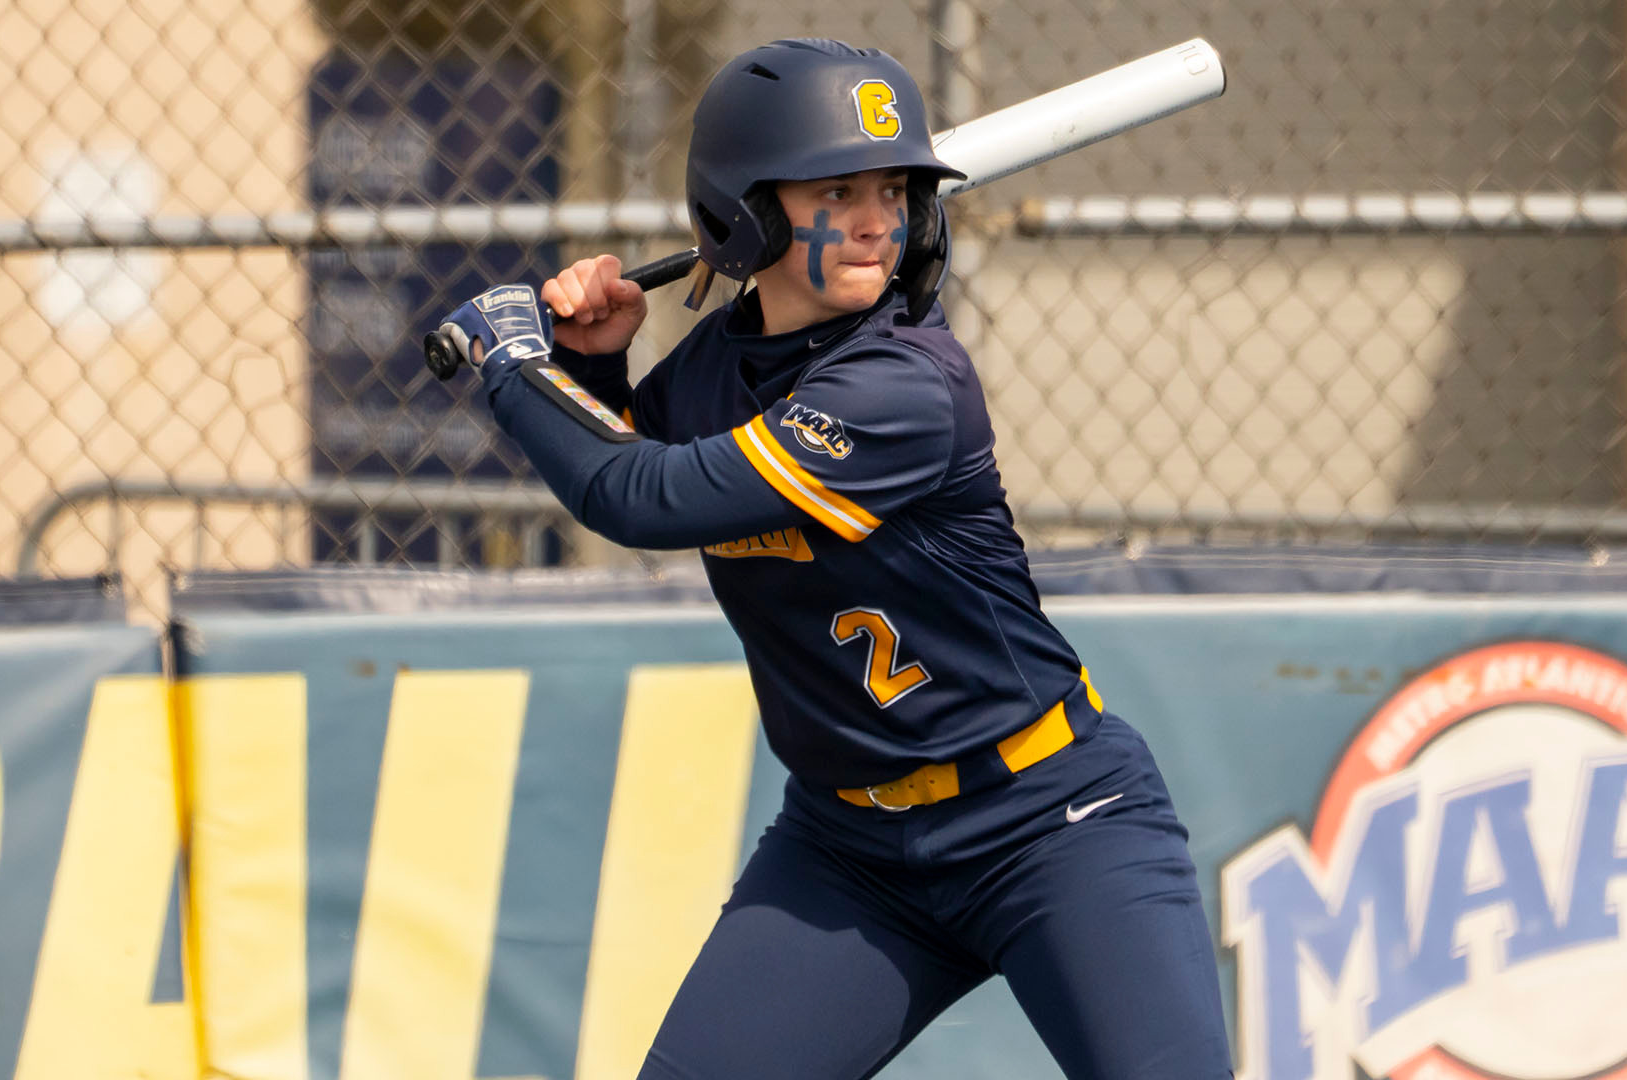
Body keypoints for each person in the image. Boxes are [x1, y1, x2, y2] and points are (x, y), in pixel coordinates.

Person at [436, 37, 1233, 1080]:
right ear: (747, 214)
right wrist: (593, 367)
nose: (877, 218)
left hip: (1048, 823)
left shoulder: (905, 383)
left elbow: (636, 496)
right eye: (837, 189)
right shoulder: (711, 373)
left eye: (895, 189)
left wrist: (511, 368)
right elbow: (637, 449)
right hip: (850, 852)